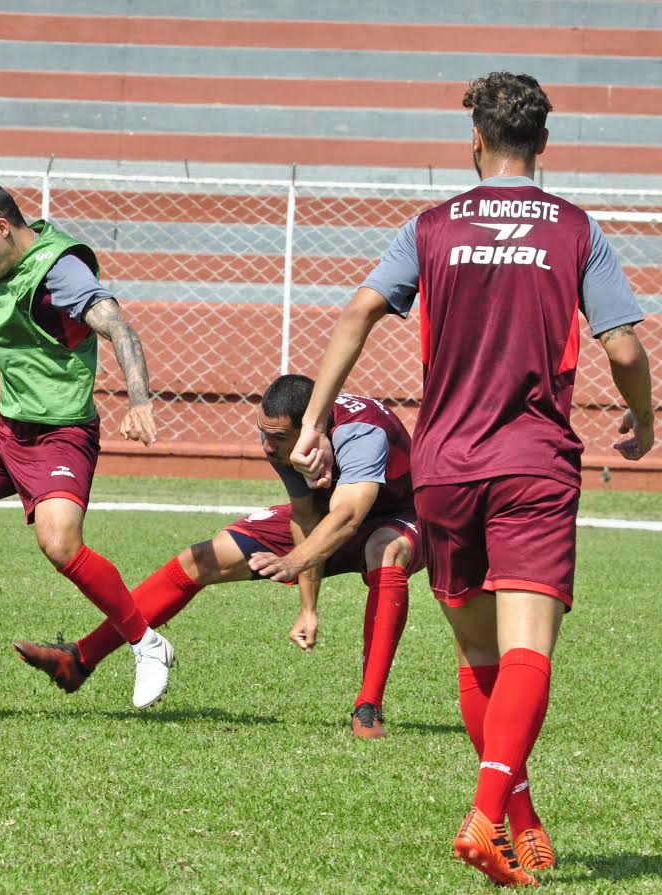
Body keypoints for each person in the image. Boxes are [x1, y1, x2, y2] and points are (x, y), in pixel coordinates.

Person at [290, 72, 653, 887]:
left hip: (445, 468)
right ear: (544, 144)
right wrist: (646, 418)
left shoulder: (430, 226)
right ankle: (486, 815)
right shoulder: (575, 229)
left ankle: (520, 820)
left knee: (481, 657)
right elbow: (625, 347)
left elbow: (356, 314)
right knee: (527, 651)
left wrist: (314, 420)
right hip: (531, 463)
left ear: (476, 141)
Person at [0, 179, 174, 709]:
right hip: (8, 433)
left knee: (59, 544)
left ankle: (147, 643)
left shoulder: (60, 272)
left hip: (61, 435)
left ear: (2, 227)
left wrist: (140, 401)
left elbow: (120, 328)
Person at [15, 374, 422, 738]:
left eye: (279, 438)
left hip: (404, 515)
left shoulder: (361, 432)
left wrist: (294, 562)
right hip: (330, 516)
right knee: (202, 559)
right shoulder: (281, 440)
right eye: (264, 433)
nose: (268, 446)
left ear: (310, 428)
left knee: (385, 549)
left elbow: (348, 517)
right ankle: (79, 660)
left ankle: (368, 707)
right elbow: (305, 516)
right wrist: (307, 607)